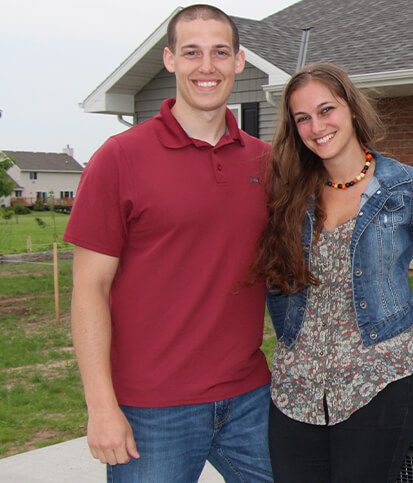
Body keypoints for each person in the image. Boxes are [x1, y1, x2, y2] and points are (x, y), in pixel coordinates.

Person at [64, 5, 272, 482]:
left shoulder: (267, 162)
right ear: (169, 60)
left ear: (239, 61)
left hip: (249, 398)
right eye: (191, 52)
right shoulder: (119, 158)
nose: (207, 66)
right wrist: (101, 407)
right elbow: (89, 289)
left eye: (220, 52)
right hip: (151, 409)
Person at [249, 63, 413, 482]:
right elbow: (277, 282)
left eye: (326, 110)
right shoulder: (289, 193)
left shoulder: (408, 187)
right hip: (298, 389)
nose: (317, 126)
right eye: (303, 118)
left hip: (379, 381)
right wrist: (292, 340)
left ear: (350, 108)